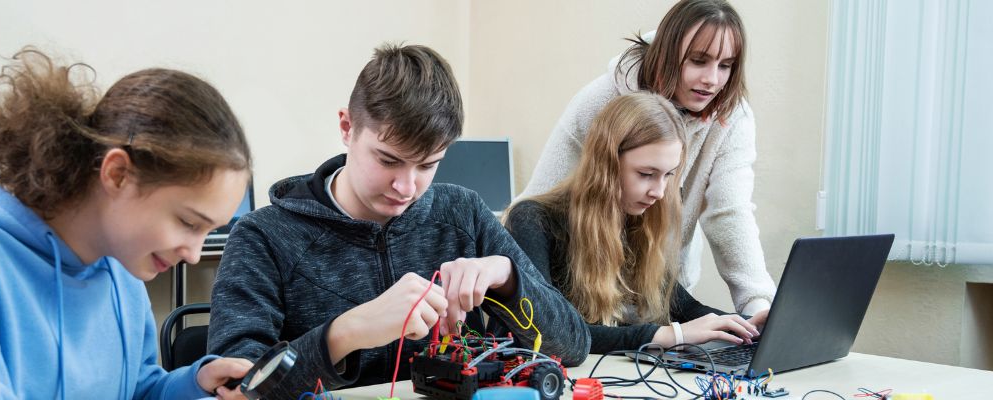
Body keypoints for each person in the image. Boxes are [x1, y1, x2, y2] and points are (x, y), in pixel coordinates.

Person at [208, 43, 590, 398]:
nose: (406, 187)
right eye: (388, 160)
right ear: (347, 128)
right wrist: (345, 333)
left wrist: (508, 279)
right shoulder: (264, 236)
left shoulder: (464, 214)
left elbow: (573, 347)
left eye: (427, 165)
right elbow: (237, 387)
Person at [0, 48, 255, 399]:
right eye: (188, 222)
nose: (193, 254)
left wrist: (191, 386)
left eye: (210, 230)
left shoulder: (122, 265)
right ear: (118, 174)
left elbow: (135, 390)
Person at [519, 0, 776, 315]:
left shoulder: (732, 118)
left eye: (725, 66)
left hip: (659, 289)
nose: (712, 79)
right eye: (698, 61)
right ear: (668, 54)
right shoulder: (601, 101)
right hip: (579, 297)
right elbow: (539, 205)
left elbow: (730, 212)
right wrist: (534, 295)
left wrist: (757, 306)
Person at [505, 92, 768, 354]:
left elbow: (684, 309)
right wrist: (668, 335)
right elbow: (546, 330)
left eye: (668, 175)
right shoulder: (532, 221)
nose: (659, 191)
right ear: (606, 164)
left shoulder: (638, 222)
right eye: (646, 174)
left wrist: (751, 326)